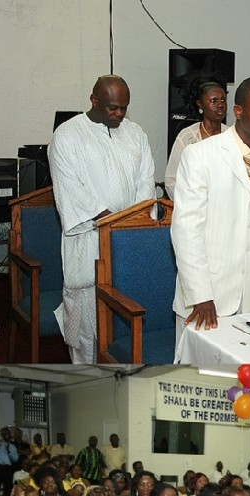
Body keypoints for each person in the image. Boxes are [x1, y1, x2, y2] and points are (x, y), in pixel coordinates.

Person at [171, 76, 250, 352]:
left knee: (245, 383)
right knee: (200, 381)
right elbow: (186, 231)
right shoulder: (199, 155)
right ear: (238, 111)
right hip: (206, 300)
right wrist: (201, 295)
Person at [48, 74, 155, 363]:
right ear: (94, 101)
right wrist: (112, 223)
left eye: (124, 108)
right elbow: (70, 188)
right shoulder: (68, 135)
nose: (119, 114)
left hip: (129, 240)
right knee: (85, 324)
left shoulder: (135, 134)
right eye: (112, 108)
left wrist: (134, 221)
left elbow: (146, 182)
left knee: (124, 316)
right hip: (88, 239)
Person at [165, 76, 229, 198]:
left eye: (223, 100)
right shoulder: (188, 137)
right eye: (213, 100)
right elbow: (171, 180)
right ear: (200, 104)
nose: (220, 105)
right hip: (193, 209)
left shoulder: (232, 136)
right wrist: (191, 205)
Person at [0, 428, 19, 496]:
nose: (6, 435)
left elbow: (15, 459)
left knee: (8, 488)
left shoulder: (12, 446)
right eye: (4, 433)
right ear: (2, 435)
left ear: (10, 435)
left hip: (7, 469)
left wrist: (9, 451)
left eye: (7, 433)